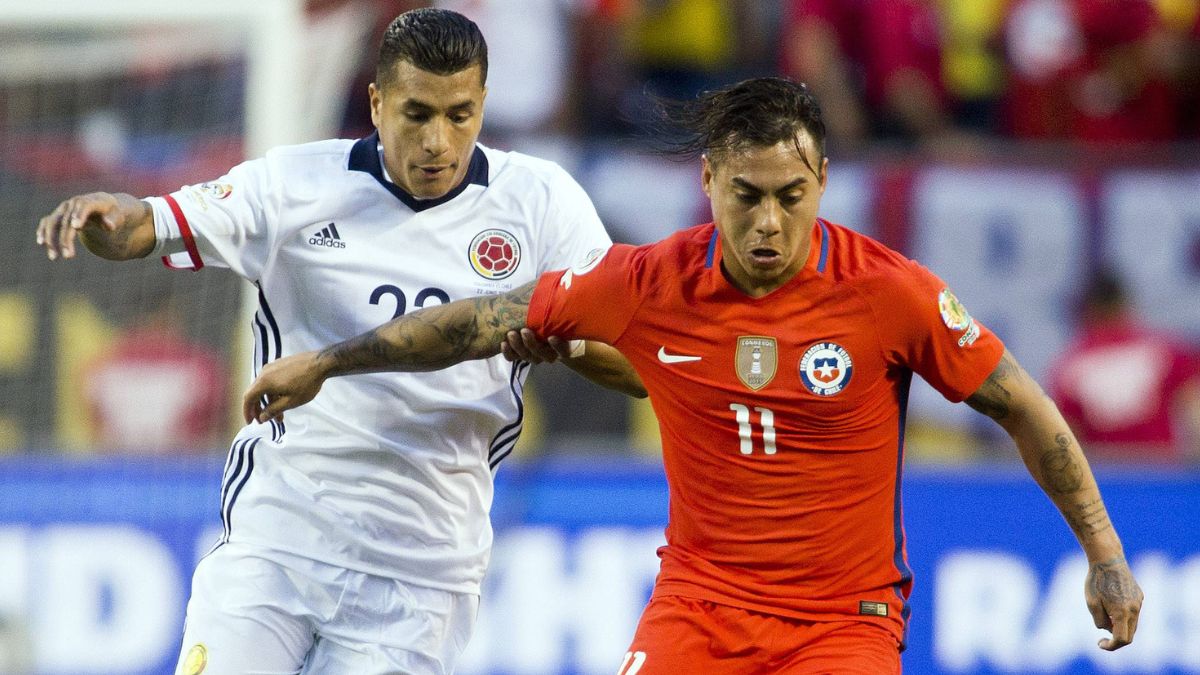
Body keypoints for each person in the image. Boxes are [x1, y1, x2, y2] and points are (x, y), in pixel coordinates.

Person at [243, 77, 1143, 673]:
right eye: (746, 195)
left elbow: (1023, 406)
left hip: (845, 622)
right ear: (708, 180)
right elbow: (481, 319)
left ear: (823, 181)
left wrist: (1104, 551)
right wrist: (328, 361)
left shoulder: (891, 294)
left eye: (791, 197)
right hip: (699, 609)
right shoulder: (646, 283)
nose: (767, 223)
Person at [36, 8, 644, 674]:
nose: (438, 141)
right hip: (279, 544)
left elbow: (637, 358)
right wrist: (106, 218)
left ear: (483, 103)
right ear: (378, 103)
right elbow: (147, 225)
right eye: (417, 114)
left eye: (459, 115)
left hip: (422, 576)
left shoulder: (543, 204)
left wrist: (568, 343)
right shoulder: (296, 183)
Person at [1049, 269, 1200, 464]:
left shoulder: (1070, 366)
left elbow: (1066, 440)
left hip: (1105, 480)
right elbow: (1195, 408)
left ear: (1088, 311)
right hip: (1162, 475)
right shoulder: (1163, 351)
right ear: (1126, 305)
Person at [84, 296, 229, 453]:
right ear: (168, 315)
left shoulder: (100, 366)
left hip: (116, 468)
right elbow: (213, 430)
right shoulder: (200, 366)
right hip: (181, 469)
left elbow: (95, 428)